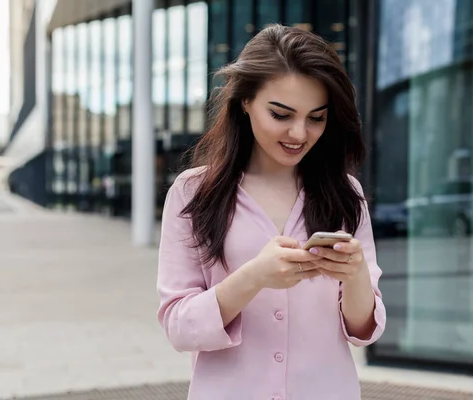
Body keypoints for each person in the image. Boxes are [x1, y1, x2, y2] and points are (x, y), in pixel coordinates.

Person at [157, 24, 386, 400]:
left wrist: (356, 274)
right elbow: (179, 327)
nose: (299, 133)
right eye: (281, 114)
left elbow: (363, 328)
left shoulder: (346, 194)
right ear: (245, 101)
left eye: (317, 117)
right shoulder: (193, 192)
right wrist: (254, 276)